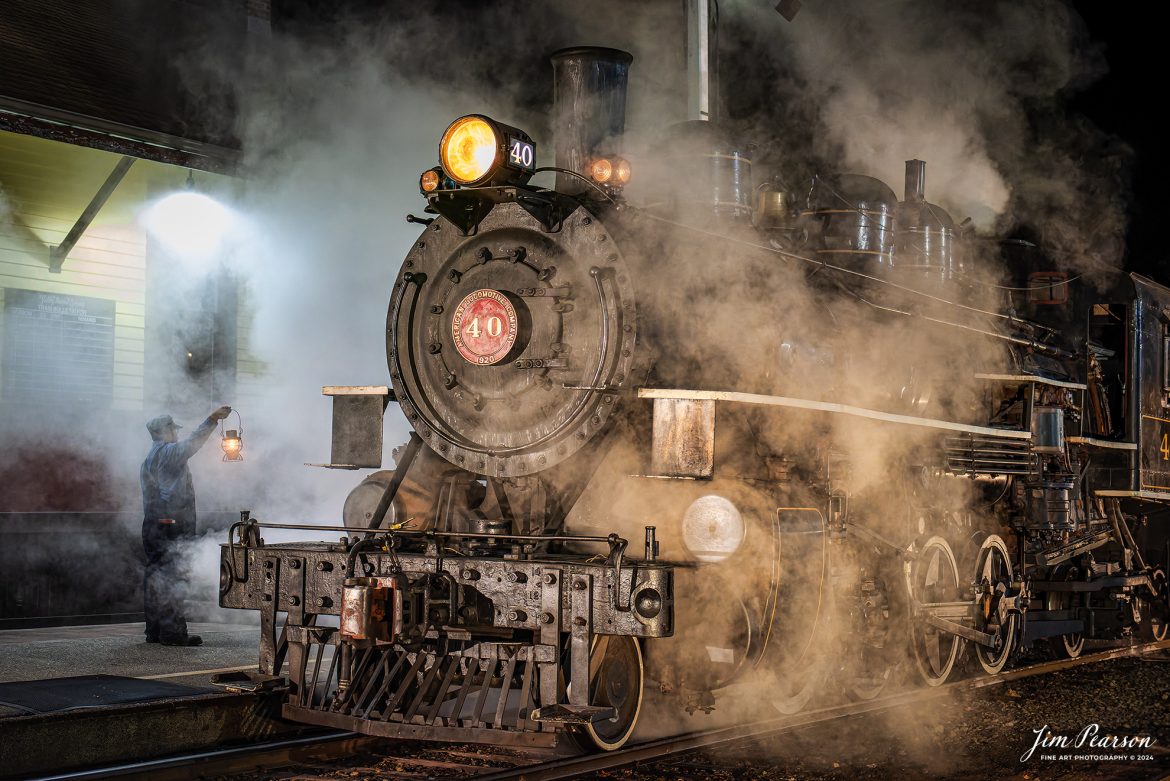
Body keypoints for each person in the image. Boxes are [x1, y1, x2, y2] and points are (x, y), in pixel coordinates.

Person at [141, 406, 232, 646]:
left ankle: (155, 631)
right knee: (173, 574)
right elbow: (194, 442)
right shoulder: (169, 452)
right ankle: (172, 633)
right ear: (165, 432)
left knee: (155, 575)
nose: (176, 433)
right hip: (170, 524)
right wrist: (212, 419)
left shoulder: (149, 458)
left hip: (152, 523)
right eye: (173, 429)